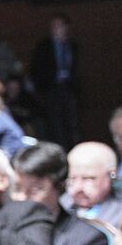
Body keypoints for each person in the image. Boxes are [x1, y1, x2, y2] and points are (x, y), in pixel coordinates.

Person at [11, 142, 109, 245]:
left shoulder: (86, 239)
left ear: (60, 187)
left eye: (35, 189)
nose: (23, 198)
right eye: (17, 188)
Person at [28, 13, 80, 147]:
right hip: (50, 89)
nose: (56, 29)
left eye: (60, 26)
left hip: (68, 88)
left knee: (71, 123)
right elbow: (36, 68)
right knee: (56, 123)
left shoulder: (72, 45)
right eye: (54, 26)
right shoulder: (44, 46)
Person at [64, 141, 122, 228]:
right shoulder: (61, 203)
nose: (78, 187)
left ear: (111, 175)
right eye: (72, 179)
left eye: (88, 179)